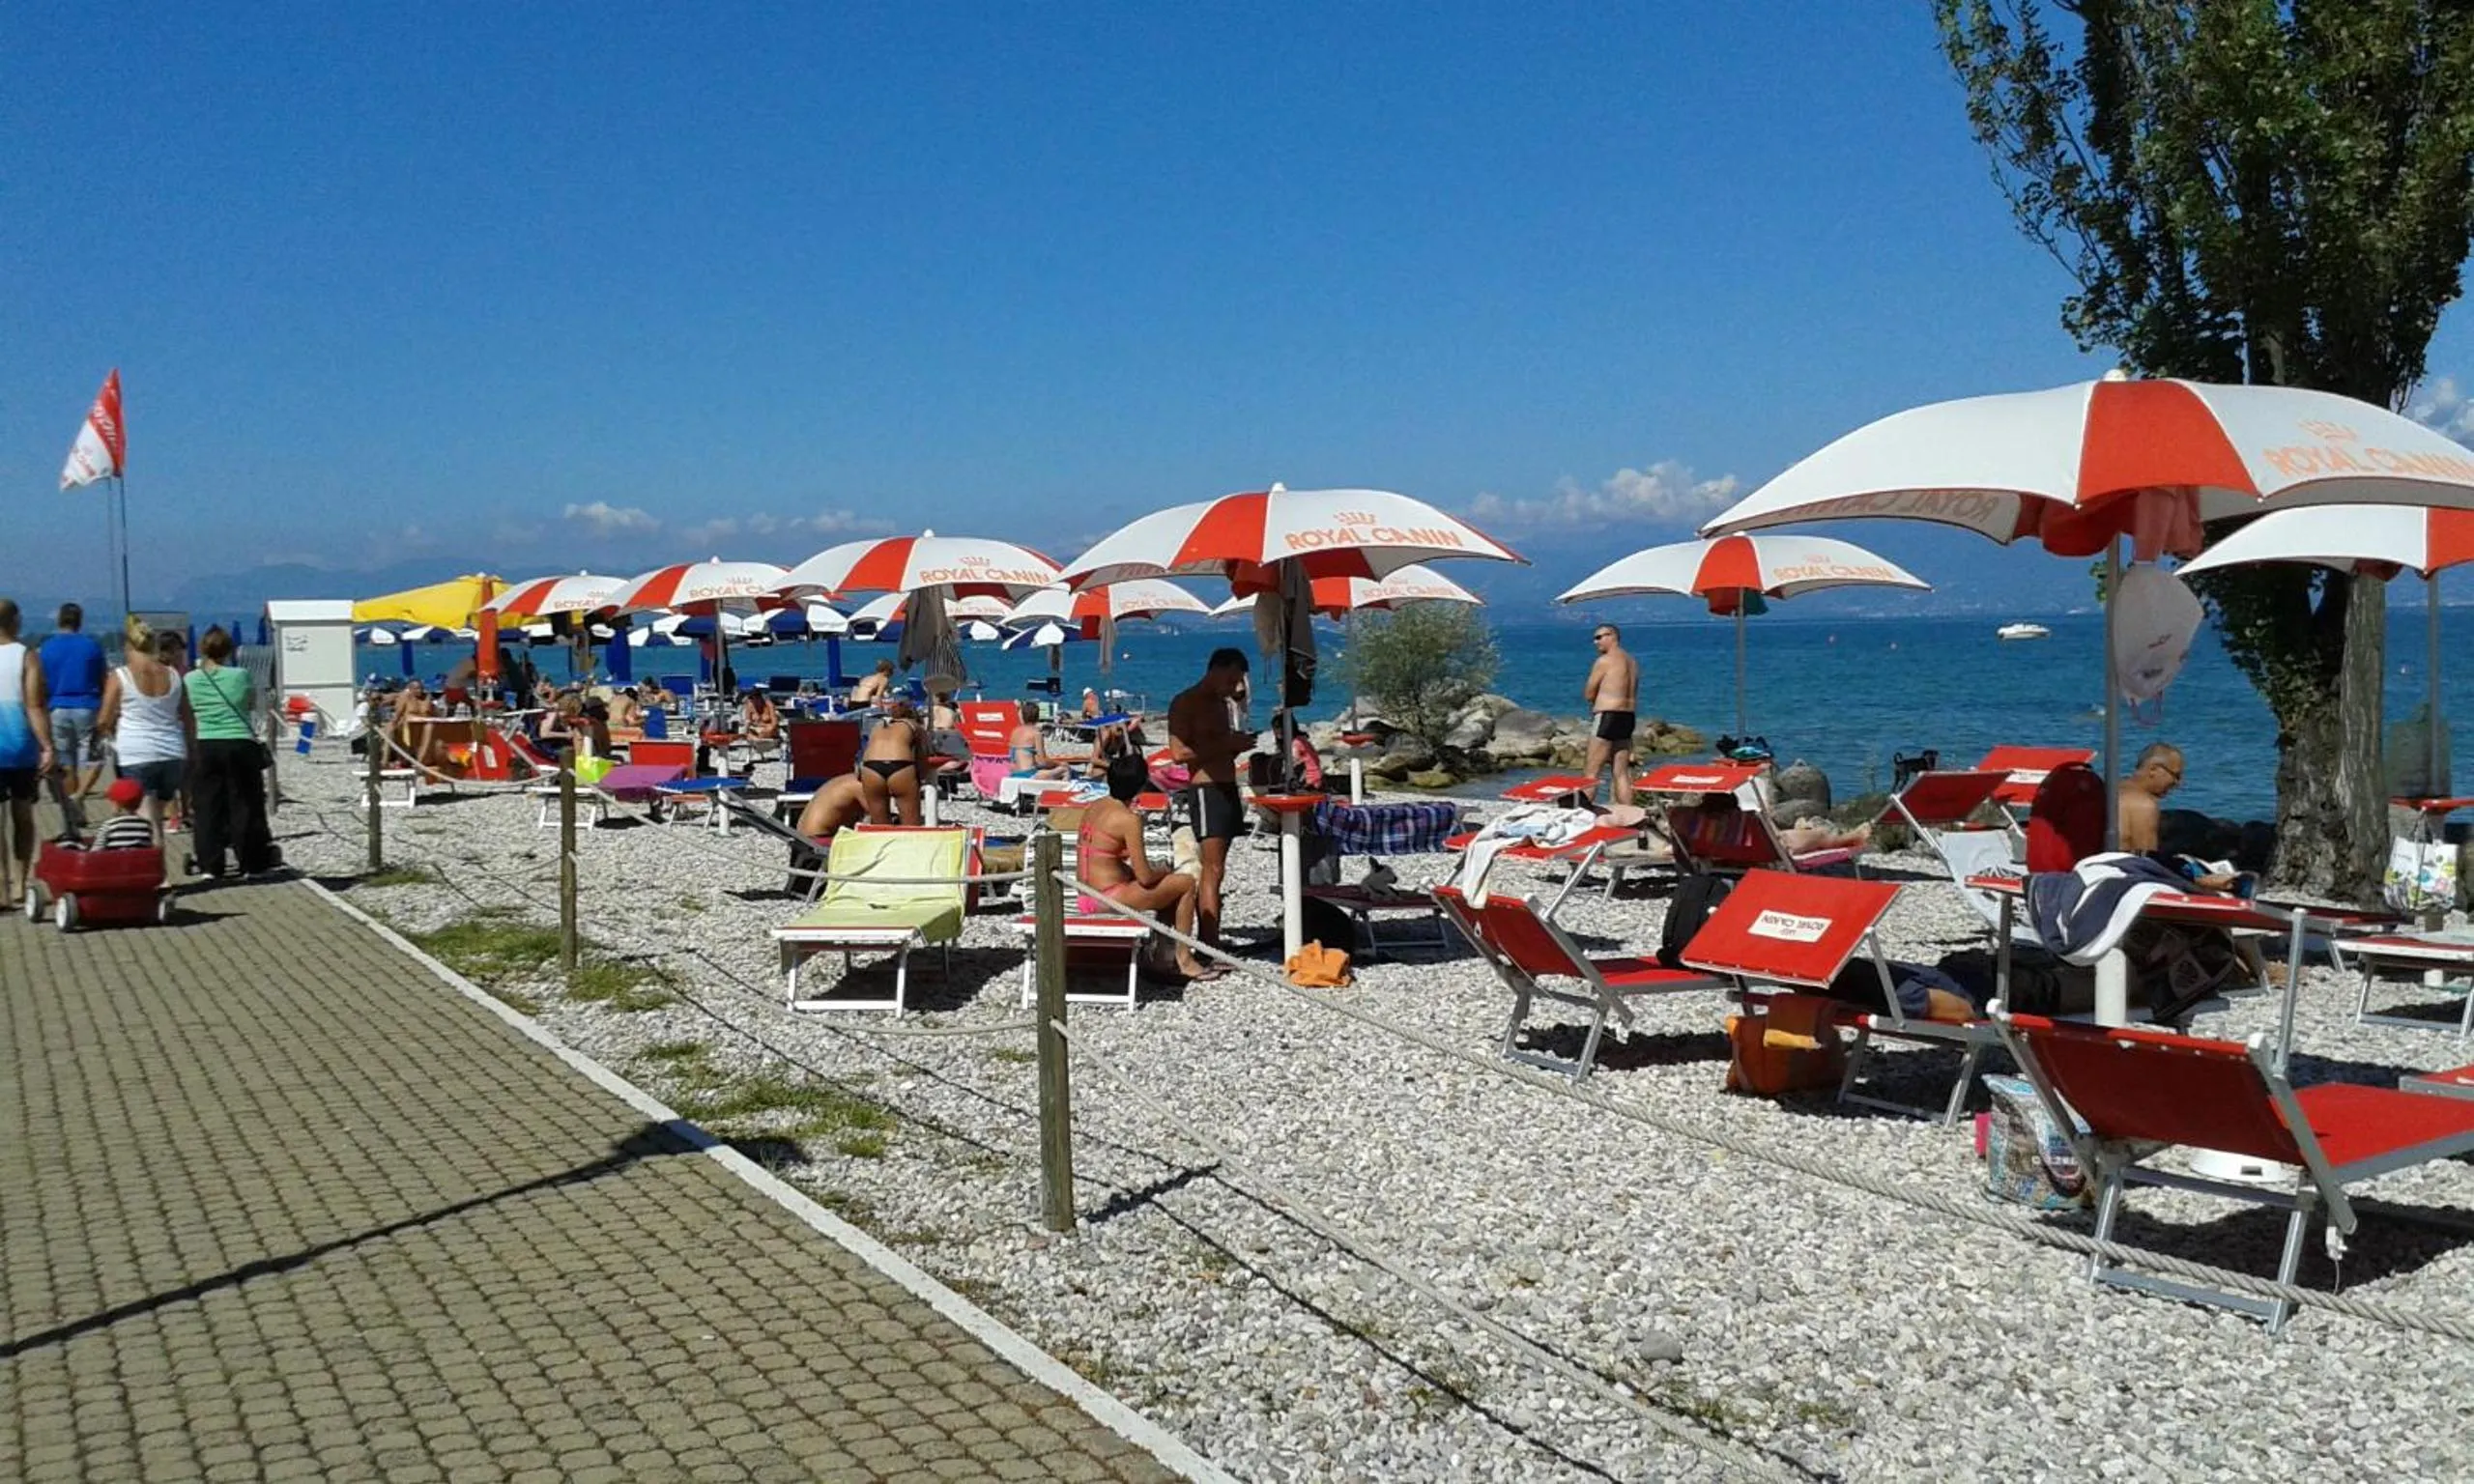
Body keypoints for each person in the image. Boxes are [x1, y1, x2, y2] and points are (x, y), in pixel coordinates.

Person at [1079, 751, 1215, 981]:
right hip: (1107, 898)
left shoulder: (1093, 807)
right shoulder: (1128, 819)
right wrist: (1162, 871)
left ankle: (1162, 957)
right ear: (1141, 786)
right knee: (1185, 884)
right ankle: (1184, 959)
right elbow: (1145, 878)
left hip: (1085, 893)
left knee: (1168, 889)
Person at [1167, 647, 1252, 948]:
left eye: (1237, 682)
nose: (1234, 688)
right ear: (1216, 670)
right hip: (1206, 790)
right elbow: (1178, 754)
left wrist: (1235, 746)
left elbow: (1216, 745)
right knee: (1211, 868)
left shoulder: (1220, 703)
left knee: (1220, 867)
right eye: (1231, 680)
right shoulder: (1186, 702)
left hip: (1226, 786)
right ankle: (1209, 943)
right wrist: (1225, 744)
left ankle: (1210, 937)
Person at [183, 625, 278, 878]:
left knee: (207, 807)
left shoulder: (191, 679)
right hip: (239, 741)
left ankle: (210, 864)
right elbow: (249, 705)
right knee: (245, 803)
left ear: (203, 649)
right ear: (230, 650)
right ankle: (252, 861)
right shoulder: (241, 675)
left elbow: (187, 710)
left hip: (205, 742)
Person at [96, 619, 191, 844]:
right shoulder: (174, 675)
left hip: (136, 752)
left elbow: (103, 719)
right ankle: (158, 869)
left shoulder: (120, 676)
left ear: (128, 646)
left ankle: (159, 873)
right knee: (158, 812)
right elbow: (188, 717)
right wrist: (192, 749)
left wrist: (110, 732)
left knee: (148, 819)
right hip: (172, 752)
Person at [0, 599, 59, 911]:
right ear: (15, 621)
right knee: (23, 816)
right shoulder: (27, 655)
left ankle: (1, 889)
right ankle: (22, 882)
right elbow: (34, 704)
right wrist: (47, 745)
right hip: (20, 744)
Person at [39, 602, 107, 801]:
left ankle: (70, 807)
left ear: (59, 620)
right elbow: (103, 678)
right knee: (94, 758)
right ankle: (80, 795)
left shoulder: (48, 647)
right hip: (88, 706)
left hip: (57, 707)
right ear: (80, 621)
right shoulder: (91, 646)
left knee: (66, 761)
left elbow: (42, 682)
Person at [1581, 622, 1640, 806]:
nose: (1595, 642)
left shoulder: (1604, 661)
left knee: (1592, 772)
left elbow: (1589, 693)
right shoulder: (1632, 662)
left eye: (1599, 637)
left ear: (1612, 636)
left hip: (1607, 716)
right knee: (1621, 772)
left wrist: (1597, 700)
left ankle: (1581, 816)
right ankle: (1629, 817)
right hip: (1627, 717)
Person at [857, 698, 927, 824]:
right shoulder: (913, 725)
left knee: (880, 825)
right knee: (911, 826)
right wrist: (920, 779)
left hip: (870, 767)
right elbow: (923, 757)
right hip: (900, 765)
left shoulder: (878, 726)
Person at [2116, 743, 2182, 855]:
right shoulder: (2144, 805)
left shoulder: (2110, 790)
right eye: (2175, 775)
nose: (2178, 783)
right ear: (2153, 769)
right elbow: (2146, 861)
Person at [795, 772, 868, 840]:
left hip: (804, 839)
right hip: (818, 840)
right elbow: (878, 818)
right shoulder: (859, 785)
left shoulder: (846, 780)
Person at [1008, 699, 1069, 780]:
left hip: (1013, 774)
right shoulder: (1036, 733)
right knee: (1065, 770)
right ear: (1037, 717)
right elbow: (1042, 761)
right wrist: (1059, 763)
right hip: (1028, 775)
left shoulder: (1014, 732)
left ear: (1023, 716)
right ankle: (1064, 791)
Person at [94, 777, 158, 851]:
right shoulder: (146, 825)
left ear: (116, 805)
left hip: (115, 861)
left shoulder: (109, 825)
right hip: (140, 861)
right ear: (139, 804)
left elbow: (97, 850)